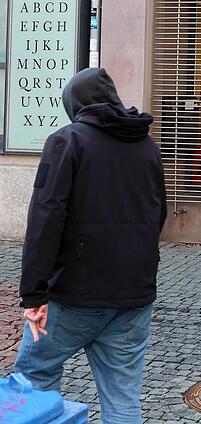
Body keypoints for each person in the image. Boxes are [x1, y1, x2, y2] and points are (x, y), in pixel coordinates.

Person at [14, 68, 167, 424]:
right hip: (133, 295)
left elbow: (44, 221)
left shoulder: (67, 141)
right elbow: (158, 215)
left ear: (75, 106)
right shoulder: (146, 146)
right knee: (123, 399)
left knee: (35, 379)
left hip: (72, 296)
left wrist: (33, 295)